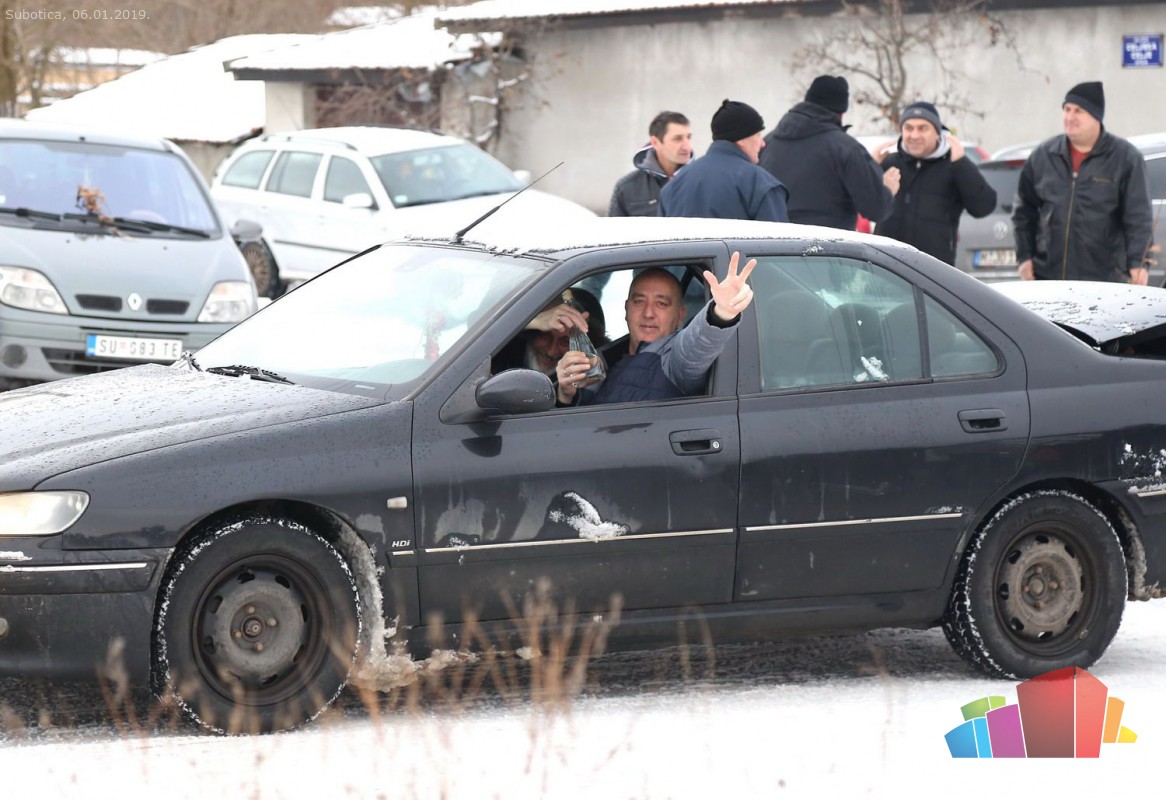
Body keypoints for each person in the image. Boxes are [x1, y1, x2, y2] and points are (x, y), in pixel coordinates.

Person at [556, 252, 755, 406]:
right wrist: (565, 395)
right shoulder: (602, 358)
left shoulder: (674, 359)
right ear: (626, 309)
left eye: (661, 304)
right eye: (639, 301)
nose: (648, 313)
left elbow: (697, 344)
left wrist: (721, 312)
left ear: (680, 316)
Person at [1013, 81, 1154, 284]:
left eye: (1078, 111)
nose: (1070, 117)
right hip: (1049, 279)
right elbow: (1023, 212)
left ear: (1096, 116)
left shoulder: (1125, 159)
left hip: (1105, 281)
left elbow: (1139, 218)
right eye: (1067, 109)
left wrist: (1138, 264)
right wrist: (1024, 257)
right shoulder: (1044, 156)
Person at [759, 75, 899, 229]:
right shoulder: (846, 149)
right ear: (841, 113)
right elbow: (876, 209)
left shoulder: (766, 143)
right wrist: (887, 190)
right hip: (826, 242)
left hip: (772, 240)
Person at [871, 102, 997, 265]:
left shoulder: (953, 166)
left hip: (934, 269)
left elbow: (984, 207)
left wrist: (961, 164)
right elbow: (860, 205)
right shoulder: (889, 163)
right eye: (908, 128)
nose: (914, 135)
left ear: (938, 133)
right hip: (885, 266)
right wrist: (870, 167)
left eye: (923, 128)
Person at [658, 100, 789, 222]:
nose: (762, 143)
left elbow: (661, 239)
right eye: (758, 135)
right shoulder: (760, 184)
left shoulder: (672, 187)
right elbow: (776, 238)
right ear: (742, 139)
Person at [492, 288, 606, 375]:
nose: (551, 352)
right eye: (545, 336)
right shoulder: (503, 350)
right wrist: (530, 321)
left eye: (565, 342)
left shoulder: (589, 373)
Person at [608, 111, 693, 217]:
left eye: (689, 137)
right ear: (655, 142)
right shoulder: (627, 187)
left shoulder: (703, 182)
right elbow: (614, 227)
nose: (687, 146)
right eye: (677, 139)